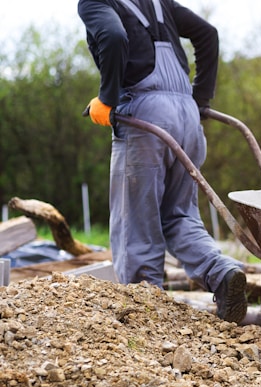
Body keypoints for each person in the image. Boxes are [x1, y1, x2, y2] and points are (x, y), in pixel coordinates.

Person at [78, 0, 248, 323]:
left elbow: (113, 37)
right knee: (179, 215)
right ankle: (222, 272)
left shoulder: (93, 3)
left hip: (146, 115)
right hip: (187, 118)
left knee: (135, 224)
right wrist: (200, 100)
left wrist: (107, 98)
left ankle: (144, 319)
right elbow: (208, 34)